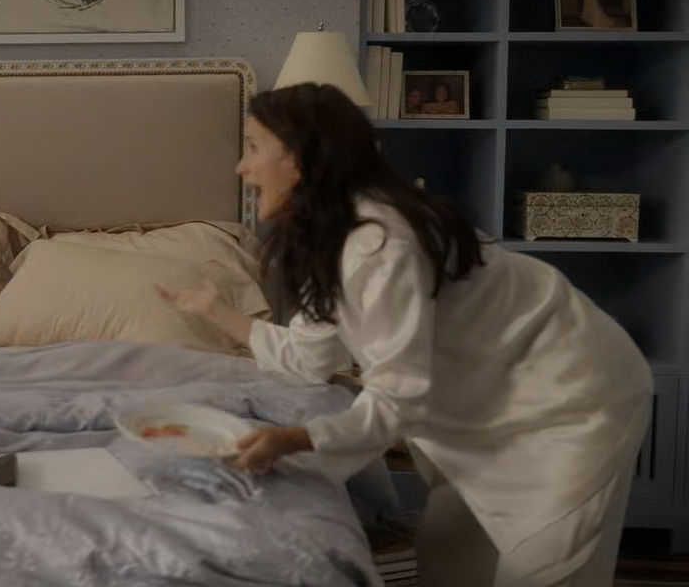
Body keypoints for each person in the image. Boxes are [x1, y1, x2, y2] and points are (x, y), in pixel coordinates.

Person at [157, 83, 652, 587]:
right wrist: (217, 312)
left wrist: (298, 439)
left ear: (301, 159)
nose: (241, 166)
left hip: (571, 398)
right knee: (450, 557)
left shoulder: (381, 244)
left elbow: (399, 396)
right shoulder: (329, 235)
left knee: (542, 573)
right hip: (489, 405)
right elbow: (311, 355)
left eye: (253, 146)